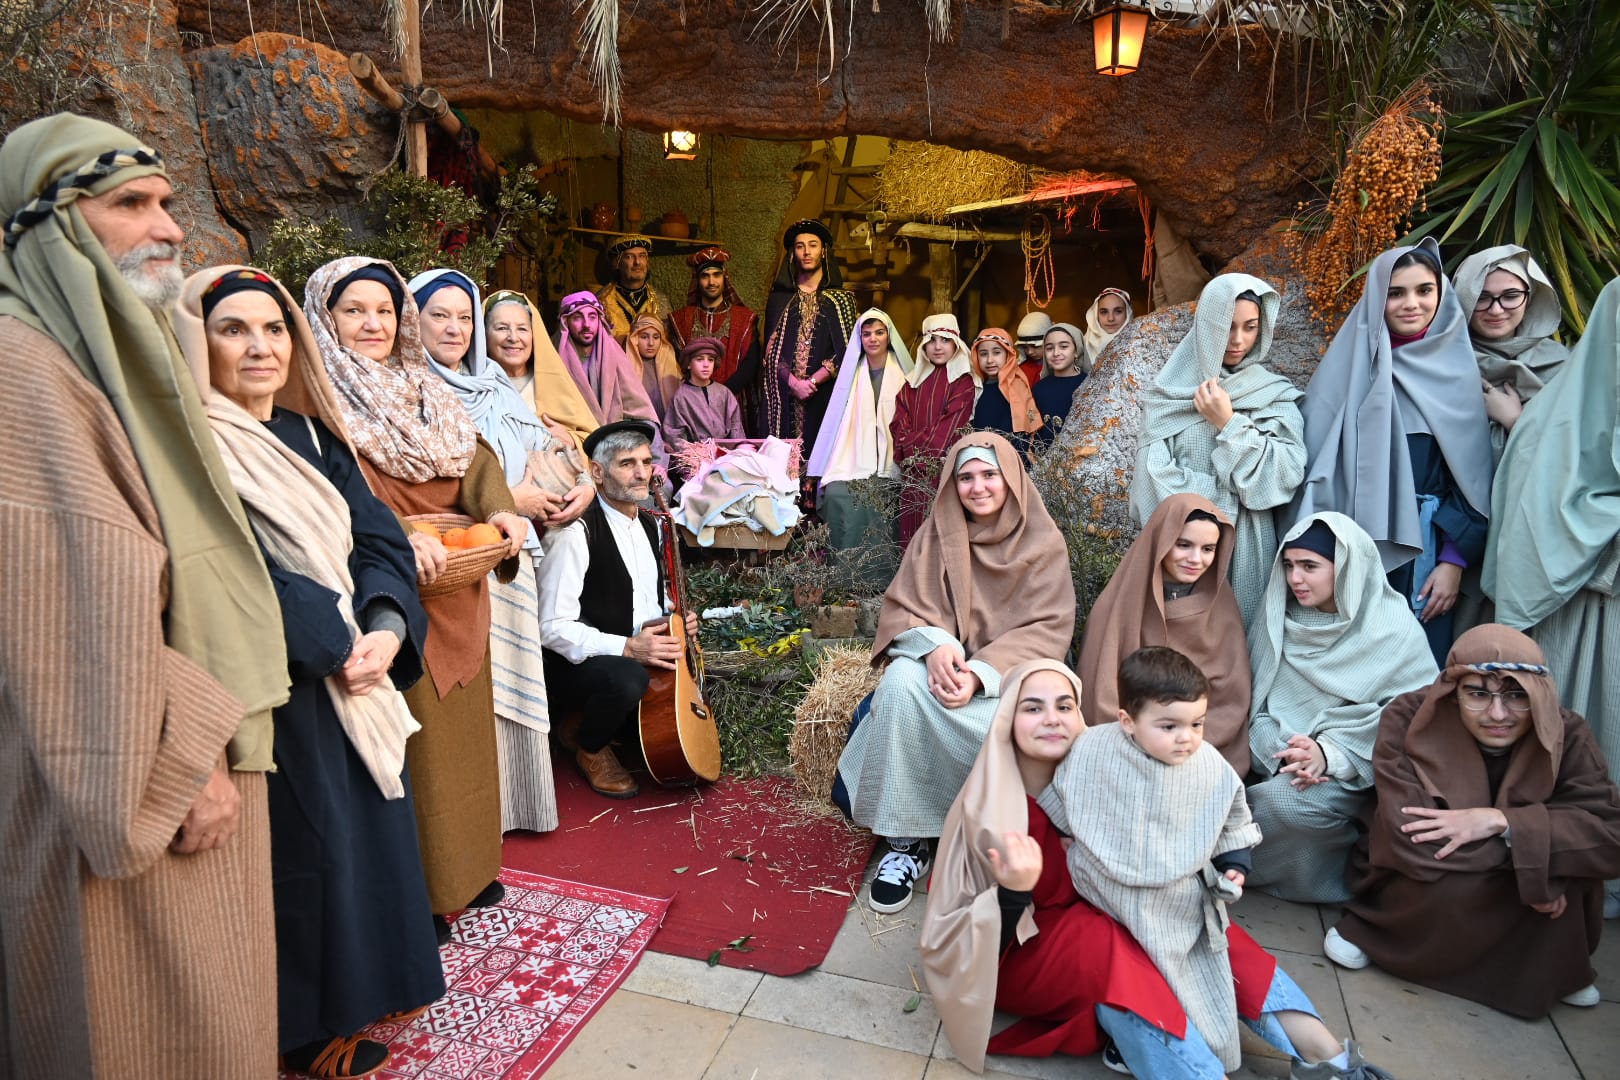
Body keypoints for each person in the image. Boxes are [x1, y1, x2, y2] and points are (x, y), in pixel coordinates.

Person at [0, 113, 287, 1078]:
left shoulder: (101, 351)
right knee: (153, 1022)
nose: (168, 227)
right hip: (135, 764)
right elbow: (64, 615)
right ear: (49, 225)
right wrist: (185, 763)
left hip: (179, 729)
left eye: (167, 201)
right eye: (130, 203)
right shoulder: (22, 371)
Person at [175, 266, 445, 1077]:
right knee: (309, 846)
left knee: (368, 832)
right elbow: (225, 564)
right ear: (194, 341)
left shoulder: (315, 438)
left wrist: (387, 627)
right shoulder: (187, 444)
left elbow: (379, 541)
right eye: (233, 329)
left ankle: (374, 982)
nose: (260, 347)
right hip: (278, 679)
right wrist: (333, 641)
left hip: (358, 663)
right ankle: (305, 1027)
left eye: (274, 329)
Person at [304, 256, 528, 942]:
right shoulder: (317, 401)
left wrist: (502, 511)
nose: (373, 324)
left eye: (384, 310)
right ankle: (421, 897)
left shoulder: (425, 386)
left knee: (464, 740)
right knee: (414, 747)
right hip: (389, 592)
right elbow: (330, 496)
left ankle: (471, 869)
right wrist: (397, 535)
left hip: (460, 579)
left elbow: (476, 461)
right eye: (354, 311)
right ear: (323, 319)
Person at [1049, 648, 1394, 1079]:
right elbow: (1066, 795)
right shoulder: (1094, 750)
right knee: (1139, 982)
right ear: (1127, 721)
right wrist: (1066, 832)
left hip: (1176, 901)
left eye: (1196, 724)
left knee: (1205, 965)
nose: (1186, 738)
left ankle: (1329, 1062)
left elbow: (1233, 818)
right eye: (1169, 726)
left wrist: (1235, 864)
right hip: (1103, 894)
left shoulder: (1208, 766)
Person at [835, 433, 1076, 913]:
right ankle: (906, 841)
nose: (978, 487)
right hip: (944, 675)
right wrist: (935, 647)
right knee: (899, 682)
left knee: (1013, 732)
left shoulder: (1043, 541)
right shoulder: (936, 536)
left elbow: (1048, 627)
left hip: (1007, 681)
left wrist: (981, 673)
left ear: (1011, 479)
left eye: (989, 475)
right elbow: (907, 608)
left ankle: (987, 837)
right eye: (966, 477)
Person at [1328, 625, 1620, 1019]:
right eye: (1478, 694)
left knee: (1574, 869)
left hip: (1485, 877)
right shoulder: (1409, 716)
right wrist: (1537, 866)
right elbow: (1411, 836)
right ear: (1453, 693)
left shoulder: (1570, 734)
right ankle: (1381, 938)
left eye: (1516, 695)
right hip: (1437, 879)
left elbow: (1609, 837)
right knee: (1441, 871)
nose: (1498, 714)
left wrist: (1503, 822)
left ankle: (1558, 969)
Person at [413, 268, 595, 836]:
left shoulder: (494, 384)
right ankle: (474, 819)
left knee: (517, 681)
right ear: (411, 319)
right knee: (475, 689)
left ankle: (518, 807)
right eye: (439, 315)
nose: (455, 328)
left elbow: (547, 446)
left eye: (463, 316)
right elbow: (420, 489)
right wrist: (509, 500)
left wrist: (584, 484)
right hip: (458, 560)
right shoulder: (412, 389)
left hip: (513, 550)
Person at [1290, 239, 1494, 664]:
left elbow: (1474, 480)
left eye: (1424, 290)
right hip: (1349, 553)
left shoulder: (1458, 372)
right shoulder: (1346, 371)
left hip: (1427, 555)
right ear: (1376, 298)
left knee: (1418, 670)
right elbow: (1311, 472)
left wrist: (1453, 562)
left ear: (1441, 294)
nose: (1411, 304)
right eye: (1395, 292)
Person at [1485, 275, 1620, 917]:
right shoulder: (1562, 407)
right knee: (1570, 729)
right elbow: (1536, 507)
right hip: (1573, 608)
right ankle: (1559, 865)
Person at [1245, 514, 1438, 903]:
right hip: (1271, 754)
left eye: (1310, 566)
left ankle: (1320, 879)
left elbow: (1412, 716)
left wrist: (1328, 755)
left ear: (1347, 566)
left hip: (1352, 769)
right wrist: (1281, 751)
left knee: (1288, 803)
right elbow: (1255, 695)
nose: (1295, 578)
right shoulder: (1279, 616)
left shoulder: (1392, 630)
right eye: (1289, 565)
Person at [1130, 274, 1306, 626]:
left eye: (1250, 327)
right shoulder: (1168, 396)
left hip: (1249, 551)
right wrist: (1226, 504)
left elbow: (1283, 477)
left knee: (1238, 639)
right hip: (1183, 552)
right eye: (1227, 326)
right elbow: (1150, 482)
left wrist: (1228, 422)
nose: (1238, 340)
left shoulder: (1274, 395)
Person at [537, 420, 699, 799]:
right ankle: (589, 746)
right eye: (627, 464)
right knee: (628, 680)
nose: (642, 473)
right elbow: (550, 627)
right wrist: (627, 647)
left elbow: (650, 594)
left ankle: (583, 721)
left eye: (646, 462)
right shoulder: (576, 533)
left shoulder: (650, 525)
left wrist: (676, 618)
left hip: (629, 651)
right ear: (597, 472)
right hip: (573, 664)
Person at [1078, 494, 1252, 774]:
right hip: (1126, 753)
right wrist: (1144, 746)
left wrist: (1185, 745)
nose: (1196, 559)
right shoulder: (1119, 606)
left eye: (1208, 549)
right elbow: (1101, 692)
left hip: (1200, 756)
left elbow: (1231, 700)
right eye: (1183, 545)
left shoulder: (1223, 612)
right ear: (1161, 541)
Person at [804, 307, 912, 566]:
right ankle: (846, 570)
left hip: (892, 456)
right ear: (860, 338)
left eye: (879, 333)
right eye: (867, 334)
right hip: (853, 456)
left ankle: (883, 570)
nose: (873, 339)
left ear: (889, 336)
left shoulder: (904, 374)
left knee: (884, 493)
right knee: (837, 493)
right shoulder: (852, 373)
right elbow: (836, 421)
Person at [1452, 244, 1569, 463]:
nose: (1496, 310)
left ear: (1529, 298)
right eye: (1481, 297)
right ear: (1463, 300)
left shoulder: (1562, 365)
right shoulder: (1444, 364)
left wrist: (1514, 421)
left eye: (1511, 295)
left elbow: (1575, 449)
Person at [761, 219, 857, 463]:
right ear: (793, 253)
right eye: (800, 246)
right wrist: (793, 383)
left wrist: (813, 381)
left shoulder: (842, 300)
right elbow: (771, 351)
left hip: (825, 394)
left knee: (822, 459)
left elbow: (847, 351)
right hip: (786, 396)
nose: (806, 252)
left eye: (813, 245)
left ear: (823, 251)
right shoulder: (779, 299)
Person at [892, 313, 980, 547]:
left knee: (942, 533)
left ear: (956, 344)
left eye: (945, 340)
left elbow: (950, 426)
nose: (938, 347)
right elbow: (898, 424)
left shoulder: (963, 382)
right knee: (911, 533)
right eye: (932, 340)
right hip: (912, 474)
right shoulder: (911, 383)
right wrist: (910, 451)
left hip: (944, 469)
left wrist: (913, 449)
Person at [553, 289, 667, 467]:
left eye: (592, 317)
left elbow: (640, 411)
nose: (586, 324)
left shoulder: (614, 354)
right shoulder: (554, 357)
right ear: (565, 322)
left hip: (619, 440)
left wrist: (658, 465)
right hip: (575, 444)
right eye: (577, 318)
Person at [483, 287, 599, 449]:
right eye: (502, 328)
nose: (513, 338)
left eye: (522, 329)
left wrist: (572, 440)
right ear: (484, 335)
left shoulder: (555, 384)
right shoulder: (473, 386)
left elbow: (595, 442)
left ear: (534, 335)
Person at [668, 245, 760, 406]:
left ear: (725, 277)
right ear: (697, 280)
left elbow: (751, 364)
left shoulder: (745, 319)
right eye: (705, 276)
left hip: (734, 401)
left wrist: (722, 393)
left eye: (716, 275)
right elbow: (676, 363)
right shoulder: (681, 319)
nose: (711, 282)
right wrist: (701, 395)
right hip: (694, 402)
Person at [663, 336, 746, 458]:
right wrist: (695, 453)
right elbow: (674, 435)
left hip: (727, 455)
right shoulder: (681, 397)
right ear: (689, 364)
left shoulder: (724, 392)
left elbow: (736, 427)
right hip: (696, 457)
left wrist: (738, 452)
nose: (706, 365)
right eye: (700, 359)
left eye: (710, 360)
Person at [595, 233, 673, 345]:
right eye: (629, 256)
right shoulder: (602, 301)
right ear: (617, 263)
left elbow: (667, 344)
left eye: (642, 256)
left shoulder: (661, 301)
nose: (637, 262)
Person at [969, 327, 1042, 440]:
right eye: (983, 354)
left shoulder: (1017, 385)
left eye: (996, 353)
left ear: (1008, 354)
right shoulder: (974, 386)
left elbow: (1024, 427)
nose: (989, 360)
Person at [1031, 321, 1087, 442]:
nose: (1056, 353)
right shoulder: (1039, 389)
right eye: (1049, 348)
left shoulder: (1088, 385)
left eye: (1064, 346)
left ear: (1077, 351)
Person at [628, 312, 683, 421]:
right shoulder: (626, 366)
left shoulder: (672, 366)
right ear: (635, 338)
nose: (651, 343)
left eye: (656, 337)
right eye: (644, 337)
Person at [1082, 287, 1133, 369]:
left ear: (1127, 313)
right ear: (1095, 315)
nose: (1111, 318)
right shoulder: (1081, 346)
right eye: (1104, 312)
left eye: (1118, 311)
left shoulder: (1139, 343)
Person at [1014, 310, 1051, 385]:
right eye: (1025, 347)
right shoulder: (1019, 370)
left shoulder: (1060, 366)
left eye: (1034, 346)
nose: (1029, 352)